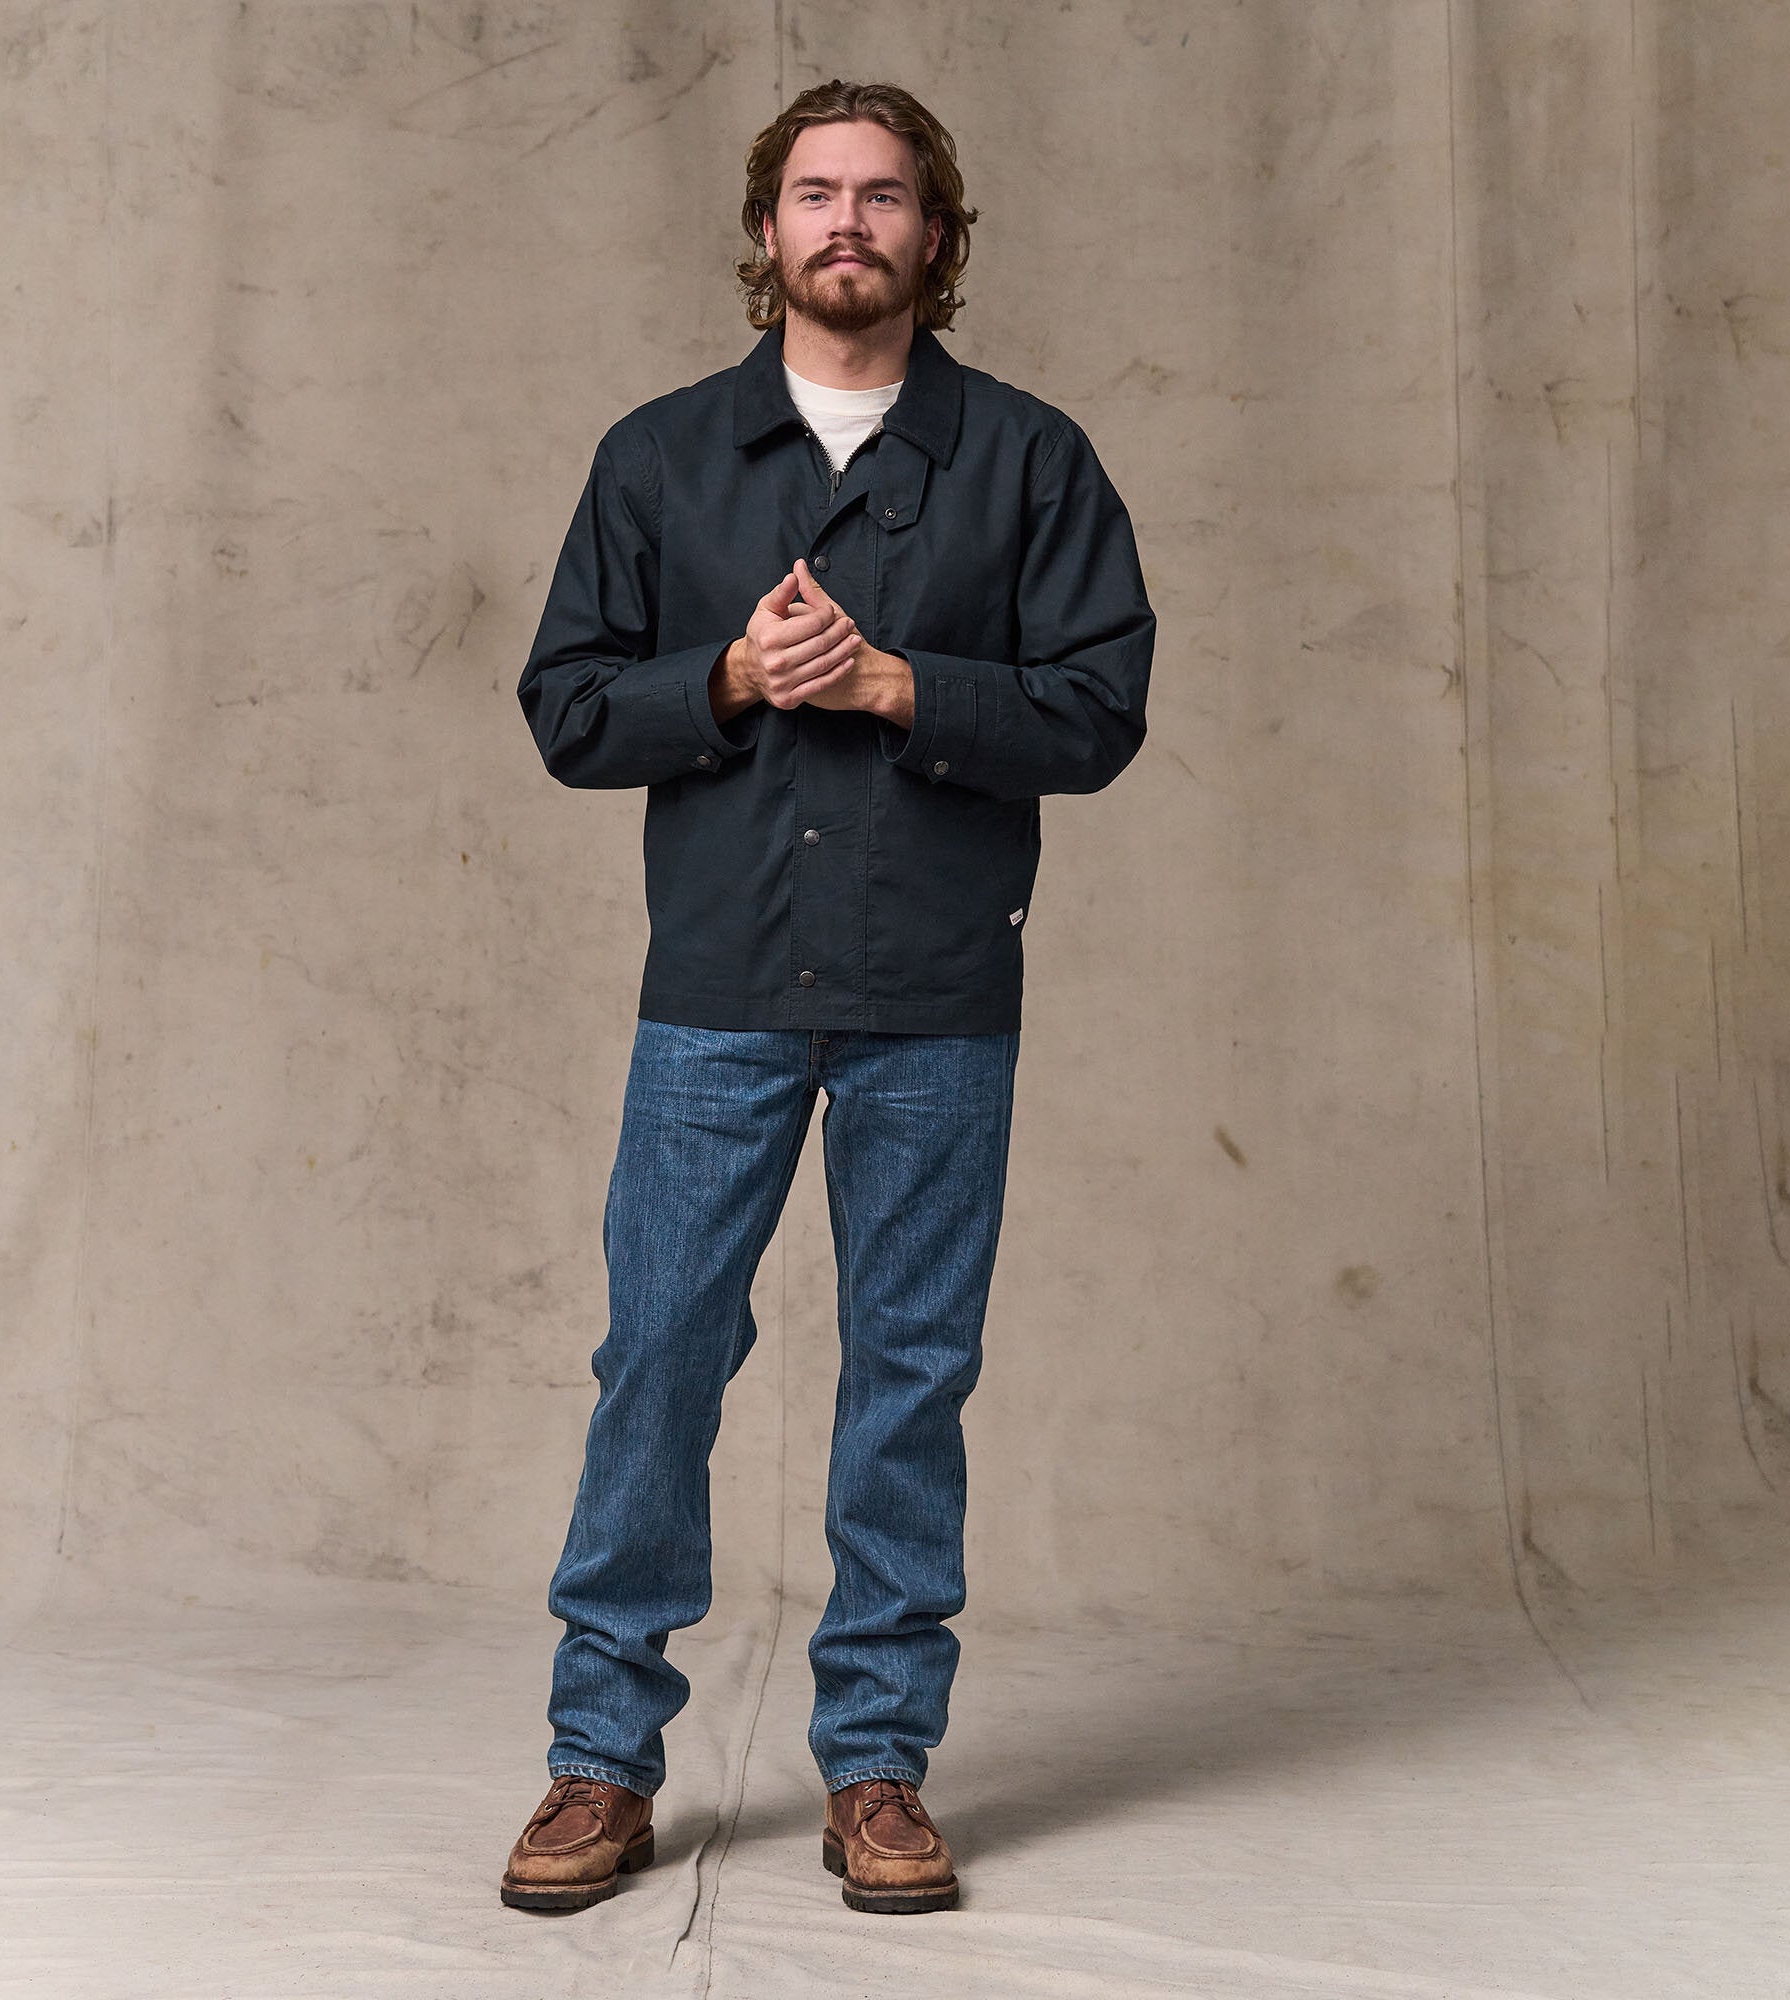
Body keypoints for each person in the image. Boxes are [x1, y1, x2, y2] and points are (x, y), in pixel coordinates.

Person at [502, 77, 1156, 1916]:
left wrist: (897, 688)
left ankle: (877, 1764)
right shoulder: (661, 456)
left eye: (882, 194)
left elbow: (1100, 711)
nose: (847, 221)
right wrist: (723, 677)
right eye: (814, 193)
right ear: (767, 228)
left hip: (937, 990)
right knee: (658, 1355)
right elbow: (566, 707)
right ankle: (599, 1758)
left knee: (911, 1375)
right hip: (715, 983)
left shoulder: (1028, 459)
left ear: (937, 234)